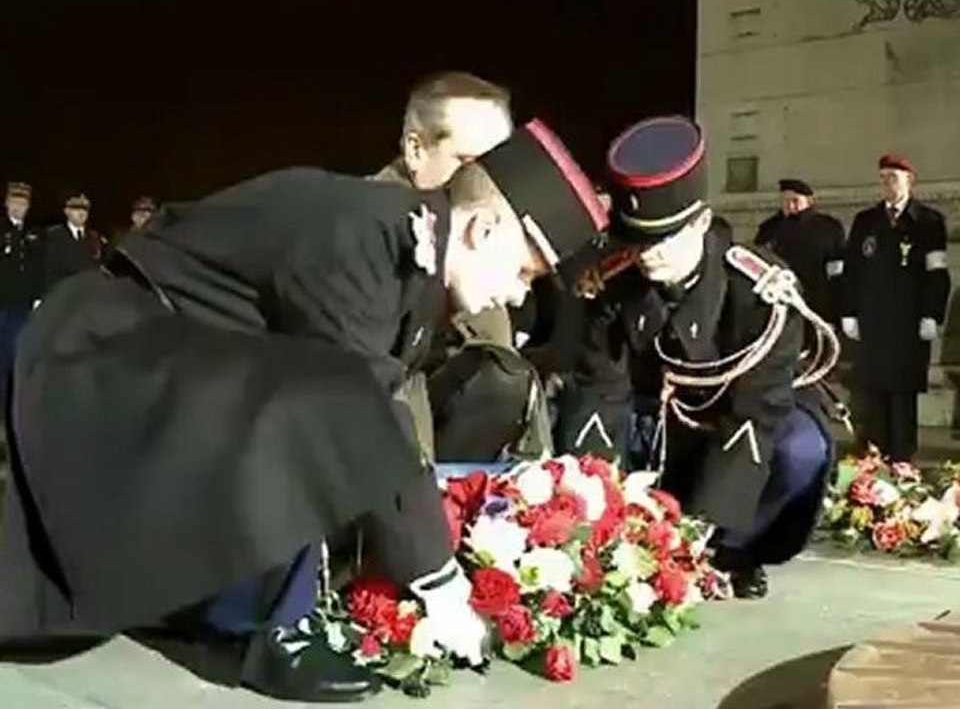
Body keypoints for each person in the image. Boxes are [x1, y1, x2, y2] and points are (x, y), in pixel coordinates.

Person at [0, 119, 608, 703]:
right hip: (108, 358)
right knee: (312, 405)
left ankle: (222, 607)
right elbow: (360, 414)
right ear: (483, 231)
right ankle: (260, 629)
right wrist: (440, 584)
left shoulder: (409, 255)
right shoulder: (365, 239)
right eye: (525, 271)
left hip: (178, 366)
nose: (520, 294)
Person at [557, 116, 839, 599]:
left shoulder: (759, 290)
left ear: (703, 222)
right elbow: (600, 395)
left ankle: (736, 550)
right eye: (638, 238)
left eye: (665, 236)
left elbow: (754, 413)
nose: (648, 253)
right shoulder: (615, 282)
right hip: (657, 426)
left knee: (799, 449)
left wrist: (697, 540)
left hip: (738, 424)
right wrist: (592, 521)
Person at [371, 71, 554, 461]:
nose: (490, 180)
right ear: (416, 149)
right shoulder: (370, 239)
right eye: (470, 161)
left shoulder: (482, 240)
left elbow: (500, 363)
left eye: (500, 164)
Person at [839, 154, 951, 462]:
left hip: (907, 321)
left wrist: (932, 314)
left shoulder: (927, 222)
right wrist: (849, 311)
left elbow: (936, 273)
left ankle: (902, 457)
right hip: (873, 320)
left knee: (902, 392)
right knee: (870, 391)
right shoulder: (866, 221)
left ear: (909, 181)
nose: (888, 184)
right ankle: (871, 456)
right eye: (883, 177)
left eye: (894, 177)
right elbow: (852, 270)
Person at [755, 179, 845, 331]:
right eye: (785, 201)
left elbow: (837, 270)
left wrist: (836, 309)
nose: (790, 206)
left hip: (818, 302)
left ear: (809, 201)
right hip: (781, 303)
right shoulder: (769, 229)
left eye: (795, 201)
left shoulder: (828, 228)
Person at [0, 181, 43, 400]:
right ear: (6, 203)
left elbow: (39, 267)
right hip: (2, 304)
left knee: (17, 360)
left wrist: (37, 297)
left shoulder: (34, 233)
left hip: (22, 306)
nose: (18, 206)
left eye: (22, 202)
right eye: (14, 201)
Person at [42, 193, 102, 293]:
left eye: (84, 209)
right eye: (76, 209)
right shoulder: (54, 236)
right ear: (67, 211)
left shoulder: (94, 237)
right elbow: (48, 270)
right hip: (62, 294)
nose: (81, 213)